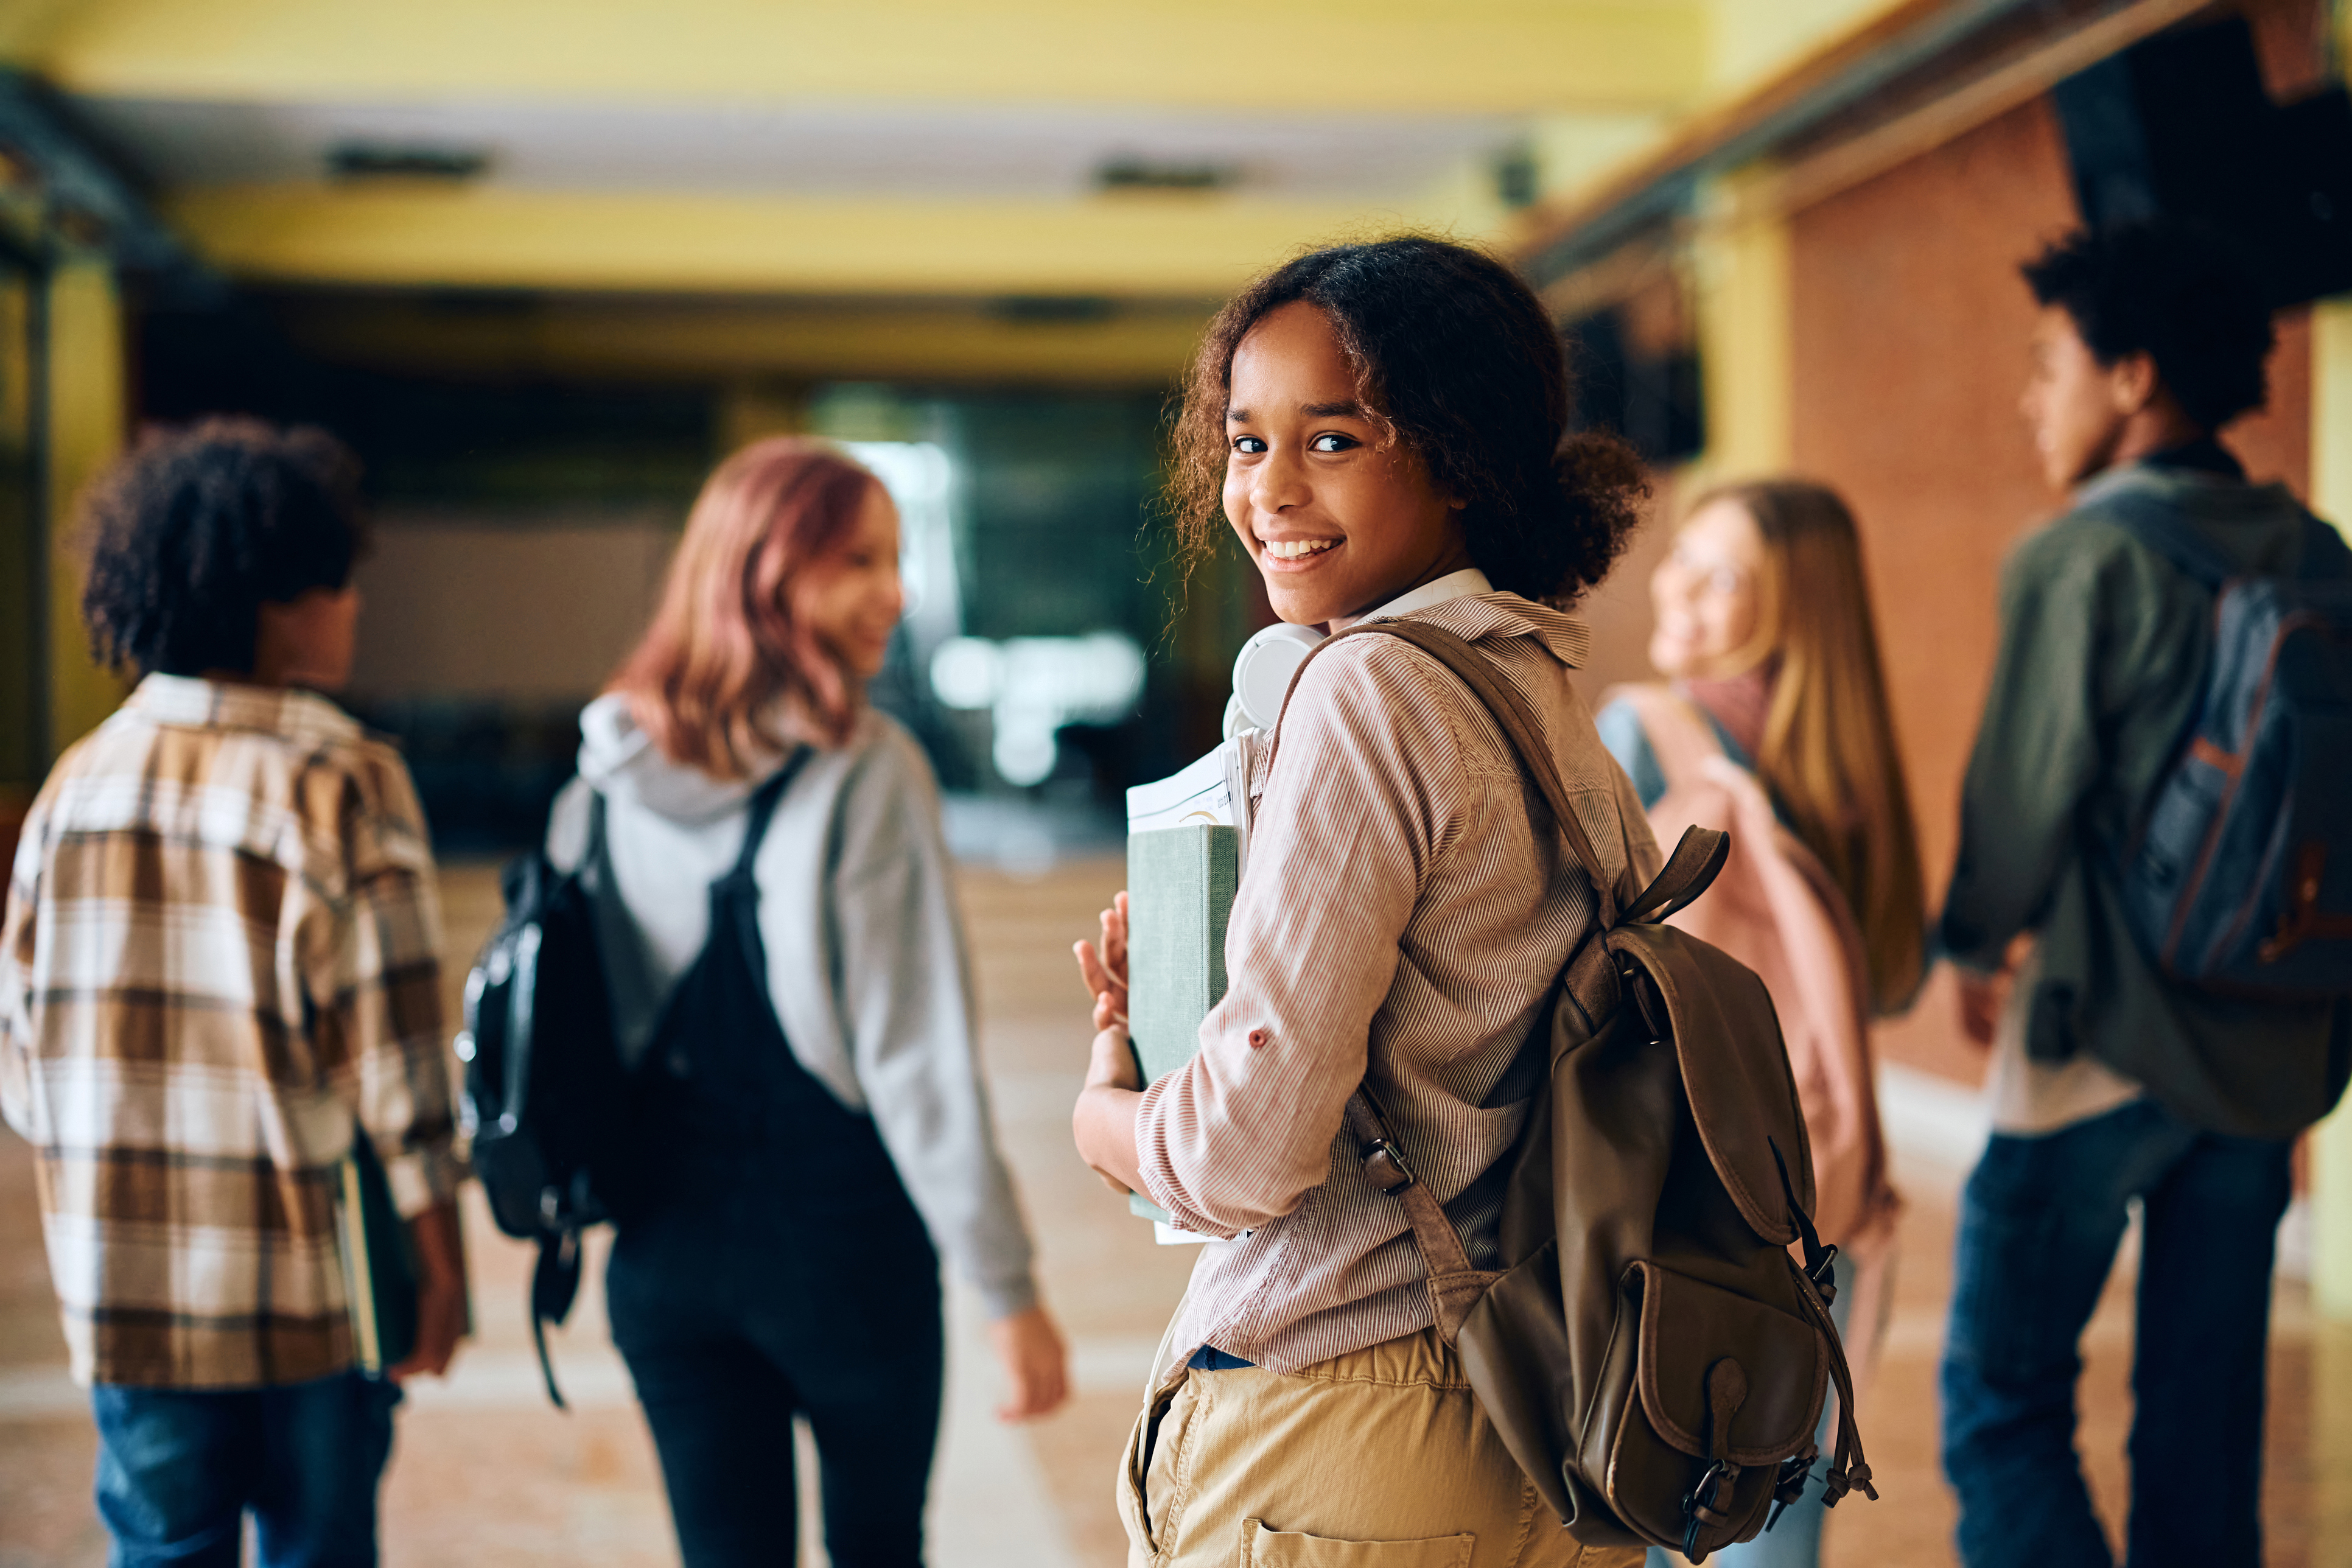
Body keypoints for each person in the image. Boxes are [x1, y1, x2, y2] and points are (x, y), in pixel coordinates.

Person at [1070, 236, 1656, 1566]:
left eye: (1332, 440)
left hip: (1345, 1429)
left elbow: (1243, 1158)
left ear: (1458, 454)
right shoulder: (1537, 686)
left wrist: (1109, 1112)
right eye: (1245, 443)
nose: (1270, 491)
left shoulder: (1365, 692)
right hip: (1549, 1406)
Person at [544, 436, 1067, 1568]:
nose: (898, 592)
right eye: (860, 562)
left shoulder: (601, 778)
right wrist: (1008, 1290)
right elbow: (916, 1062)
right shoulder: (867, 772)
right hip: (843, 1255)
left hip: (660, 1257)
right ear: (771, 575)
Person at [1937, 221, 2351, 1568]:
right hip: (2274, 1040)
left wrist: (1969, 943)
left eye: (2050, 363)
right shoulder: (2315, 550)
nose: (2030, 397)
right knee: (2204, 1420)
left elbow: (2022, 799)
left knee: (2002, 1411)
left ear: (2134, 377)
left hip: (2100, 1036)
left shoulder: (2080, 556)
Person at [0, 418, 468, 1567]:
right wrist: (441, 1256)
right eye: (336, 582)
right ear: (273, 597)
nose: (353, 606)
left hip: (124, 1301)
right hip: (304, 1297)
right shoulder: (342, 776)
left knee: (161, 1551)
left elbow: (23, 1057)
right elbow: (396, 1063)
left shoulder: (77, 783)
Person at [1595, 480, 1921, 1568]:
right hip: (1823, 1196)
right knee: (1771, 1530)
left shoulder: (1644, 734)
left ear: (1798, 605)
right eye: (1684, 556)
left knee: (1656, 1497)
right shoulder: (1853, 777)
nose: (1679, 586)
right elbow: (1890, 981)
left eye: (1722, 573)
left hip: (1687, 1202)